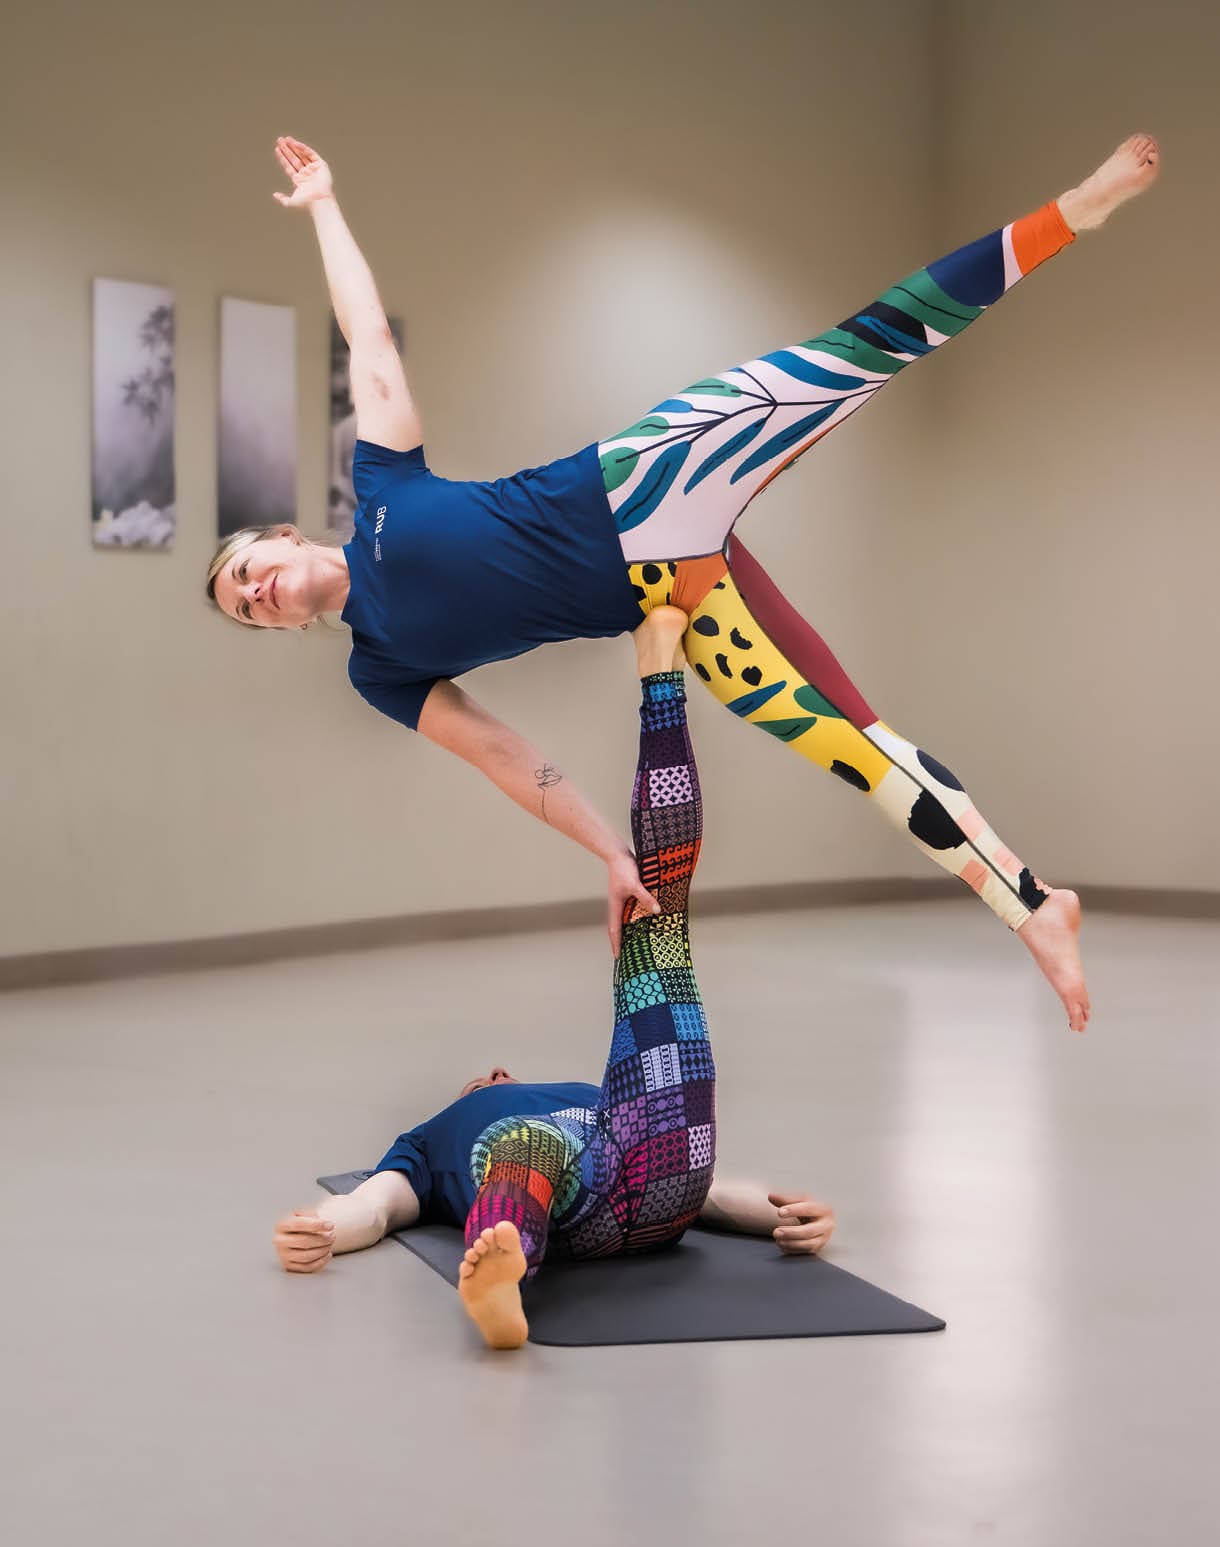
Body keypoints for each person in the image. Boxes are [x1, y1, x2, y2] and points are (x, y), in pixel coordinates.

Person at [210, 132, 1162, 1028]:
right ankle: (1033, 907)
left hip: (644, 470)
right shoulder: (379, 668)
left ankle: (1073, 212)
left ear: (285, 539)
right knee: (854, 745)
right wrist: (610, 852)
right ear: (281, 630)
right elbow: (505, 757)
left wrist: (326, 206)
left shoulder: (380, 481)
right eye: (248, 611)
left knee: (861, 349)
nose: (257, 594)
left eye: (249, 571)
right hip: (673, 592)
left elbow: (366, 338)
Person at [273, 608, 835, 1349]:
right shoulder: (421, 1145)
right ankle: (503, 1270)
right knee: (528, 1146)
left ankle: (661, 673)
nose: (482, 1079)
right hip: (559, 1197)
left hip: (657, 1183)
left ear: (500, 1074)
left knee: (660, 911)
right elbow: (376, 1208)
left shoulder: (586, 1094)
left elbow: (710, 1198)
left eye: (488, 1078)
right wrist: (322, 1230)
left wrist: (783, 1215)